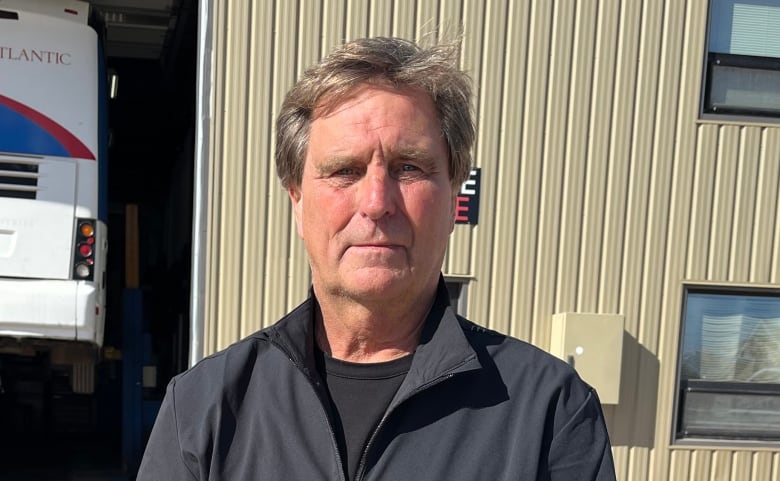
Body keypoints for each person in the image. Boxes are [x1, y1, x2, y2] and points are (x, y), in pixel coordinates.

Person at [137, 36, 617, 481]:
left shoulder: (551, 413)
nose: (376, 201)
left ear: (454, 199)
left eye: (409, 167)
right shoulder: (203, 409)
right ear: (298, 203)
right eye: (345, 170)